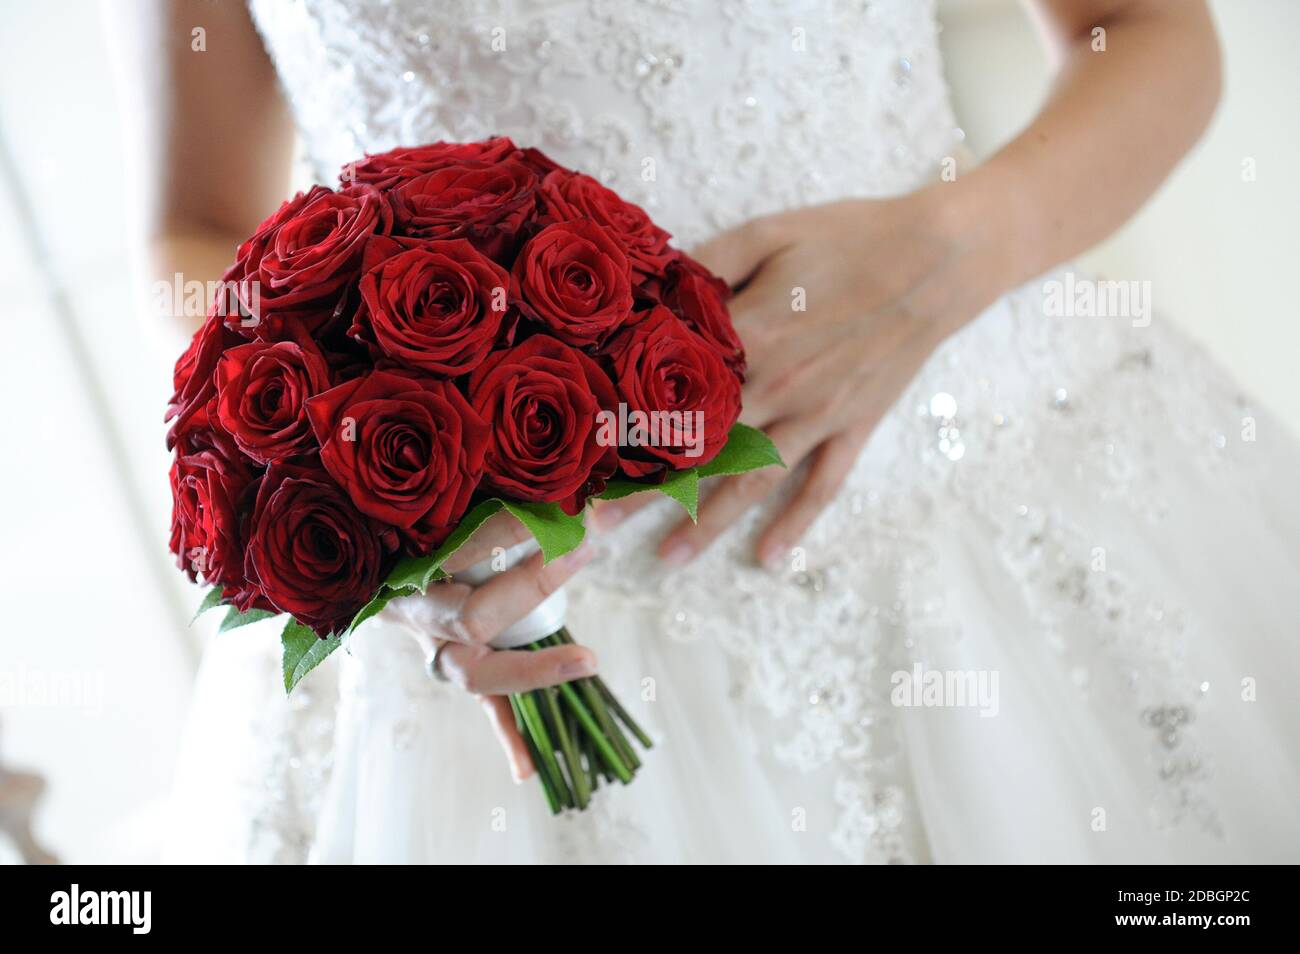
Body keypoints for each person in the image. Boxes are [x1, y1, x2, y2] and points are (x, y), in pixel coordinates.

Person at [120, 0, 1300, 862]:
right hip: (518, 604)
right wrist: (373, 506)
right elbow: (196, 222)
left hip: (980, 461)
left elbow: (1143, 30)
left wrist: (952, 252)